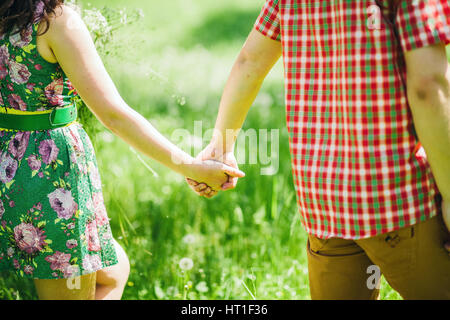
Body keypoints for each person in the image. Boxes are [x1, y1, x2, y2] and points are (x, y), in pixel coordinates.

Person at [188, 0, 450, 299]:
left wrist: (221, 145)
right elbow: (428, 86)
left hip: (325, 203)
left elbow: (250, 60)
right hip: (400, 197)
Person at [0, 0, 244, 300]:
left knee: (113, 270)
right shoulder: (55, 20)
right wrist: (190, 166)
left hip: (6, 166)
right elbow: (113, 114)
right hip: (48, 174)